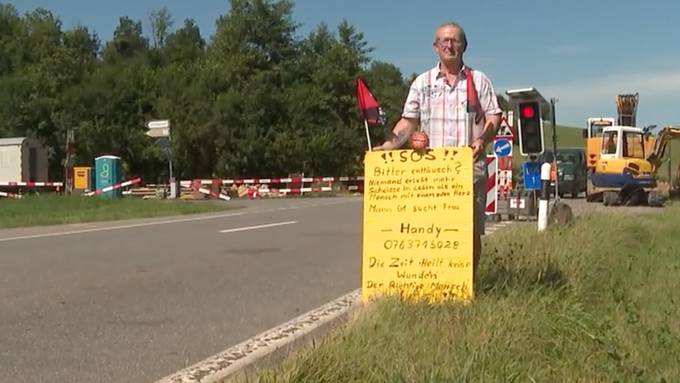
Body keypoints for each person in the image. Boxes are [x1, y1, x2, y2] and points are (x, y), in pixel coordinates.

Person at [374, 21, 502, 280]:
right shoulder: (422, 83)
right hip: (433, 173)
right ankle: (435, 283)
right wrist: (388, 146)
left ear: (464, 46)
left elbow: (494, 116)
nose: (449, 44)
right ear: (435, 47)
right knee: (433, 230)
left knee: (470, 231)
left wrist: (482, 140)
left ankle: (467, 285)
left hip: (469, 167)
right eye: (444, 40)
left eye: (455, 40)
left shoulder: (479, 80)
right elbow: (408, 122)